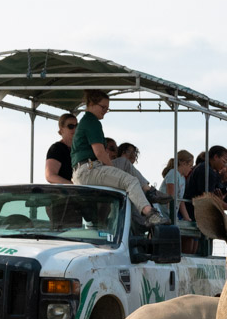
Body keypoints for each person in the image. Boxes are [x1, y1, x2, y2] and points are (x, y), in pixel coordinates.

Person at [70, 90, 163, 226]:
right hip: (89, 170)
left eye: (107, 109)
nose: (105, 111)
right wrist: (114, 170)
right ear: (91, 104)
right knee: (130, 181)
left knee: (123, 163)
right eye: (103, 107)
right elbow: (100, 153)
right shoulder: (91, 121)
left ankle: (149, 191)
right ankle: (149, 213)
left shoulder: (87, 121)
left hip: (85, 170)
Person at [182, 145, 227, 221]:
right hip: (195, 214)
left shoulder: (205, 168)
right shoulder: (207, 171)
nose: (224, 166)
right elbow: (207, 198)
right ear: (215, 157)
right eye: (224, 162)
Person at [43, 112, 77, 184]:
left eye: (77, 126)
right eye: (71, 126)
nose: (75, 129)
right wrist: (72, 185)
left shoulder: (79, 149)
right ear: (61, 130)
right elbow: (50, 176)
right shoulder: (56, 149)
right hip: (62, 193)